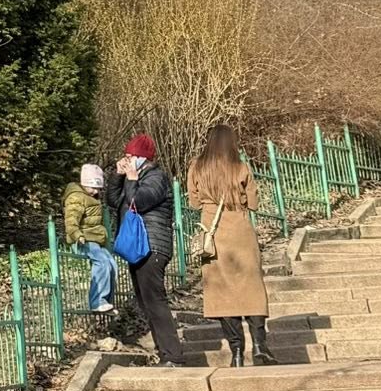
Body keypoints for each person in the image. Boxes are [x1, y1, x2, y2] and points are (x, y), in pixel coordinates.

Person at [187, 123, 274, 367]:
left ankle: (236, 352)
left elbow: (194, 202)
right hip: (241, 232)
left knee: (222, 293)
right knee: (252, 288)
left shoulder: (197, 167)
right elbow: (253, 203)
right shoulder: (240, 167)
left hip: (213, 236)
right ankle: (260, 346)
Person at [107, 133, 185, 367]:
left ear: (143, 158)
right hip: (138, 248)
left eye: (131, 156)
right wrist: (118, 177)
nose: (127, 160)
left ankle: (172, 355)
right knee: (146, 302)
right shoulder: (135, 177)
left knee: (155, 301)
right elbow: (114, 201)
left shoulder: (156, 177)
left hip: (152, 247)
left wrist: (131, 179)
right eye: (126, 156)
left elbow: (137, 203)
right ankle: (166, 353)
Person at [63, 163, 116, 316]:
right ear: (84, 183)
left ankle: (106, 302)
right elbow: (71, 220)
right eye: (93, 187)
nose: (96, 191)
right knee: (102, 262)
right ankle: (97, 301)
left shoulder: (92, 198)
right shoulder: (76, 198)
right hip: (82, 240)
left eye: (98, 188)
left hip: (94, 241)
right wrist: (77, 235)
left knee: (111, 264)